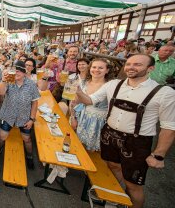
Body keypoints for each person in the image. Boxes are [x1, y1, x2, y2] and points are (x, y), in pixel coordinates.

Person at [76, 54, 175, 208]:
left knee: (134, 184)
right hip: (109, 135)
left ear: (150, 68)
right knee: (112, 167)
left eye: (137, 64)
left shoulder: (164, 93)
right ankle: (116, 196)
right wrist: (77, 90)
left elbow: (169, 127)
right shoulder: (113, 85)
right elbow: (90, 100)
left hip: (137, 142)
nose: (131, 67)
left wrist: (159, 155)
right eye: (128, 64)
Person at [0, 61, 40, 169]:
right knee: (1, 137)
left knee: (27, 139)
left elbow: (35, 102)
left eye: (19, 71)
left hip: (24, 117)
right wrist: (4, 80)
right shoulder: (9, 81)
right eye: (15, 70)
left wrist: (32, 119)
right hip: (8, 115)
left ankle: (29, 156)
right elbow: (0, 92)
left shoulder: (31, 84)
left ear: (24, 72)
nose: (16, 73)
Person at [70, 59, 112, 151]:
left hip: (96, 122)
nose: (96, 70)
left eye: (100, 68)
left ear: (107, 70)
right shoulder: (85, 82)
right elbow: (74, 101)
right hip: (80, 116)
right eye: (94, 67)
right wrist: (73, 118)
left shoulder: (109, 86)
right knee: (75, 145)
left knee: (88, 151)